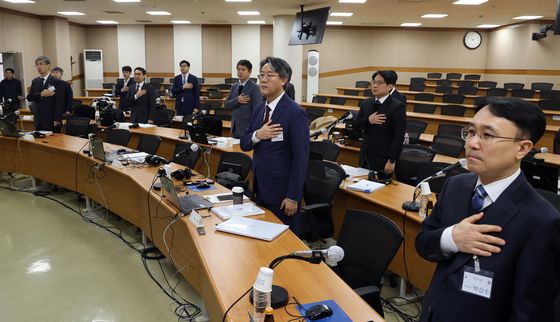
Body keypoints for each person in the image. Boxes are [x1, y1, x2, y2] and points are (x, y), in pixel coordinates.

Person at [415, 97, 560, 322]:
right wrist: (451, 238)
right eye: (471, 132)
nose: (472, 143)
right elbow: (423, 242)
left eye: (488, 135)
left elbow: (530, 313)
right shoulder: (455, 186)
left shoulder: (542, 220)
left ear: (522, 148)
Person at [240, 57, 309, 232]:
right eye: (261, 75)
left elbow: (301, 159)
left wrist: (293, 196)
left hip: (282, 194)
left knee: (284, 243)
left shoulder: (295, 113)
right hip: (260, 188)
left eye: (269, 75)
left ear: (284, 80)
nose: (263, 80)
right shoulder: (258, 110)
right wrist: (258, 135)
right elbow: (244, 143)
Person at [354, 70, 406, 174]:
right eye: (373, 82)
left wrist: (392, 160)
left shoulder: (397, 106)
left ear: (390, 86)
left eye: (379, 83)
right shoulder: (366, 103)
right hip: (365, 155)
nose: (375, 86)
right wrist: (368, 120)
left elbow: (398, 136)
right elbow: (356, 125)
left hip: (383, 158)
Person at [224, 59, 262, 138]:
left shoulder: (255, 88)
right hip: (234, 127)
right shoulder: (234, 86)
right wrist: (237, 100)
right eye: (238, 69)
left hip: (247, 129)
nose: (240, 72)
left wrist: (254, 129)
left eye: (243, 70)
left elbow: (258, 110)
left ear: (250, 71)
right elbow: (226, 104)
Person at [26, 56, 65, 132]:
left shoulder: (56, 82)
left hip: (51, 119)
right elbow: (29, 97)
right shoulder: (35, 81)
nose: (39, 67)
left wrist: (57, 119)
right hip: (38, 119)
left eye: (41, 64)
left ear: (48, 65)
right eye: (37, 65)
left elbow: (60, 103)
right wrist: (41, 94)